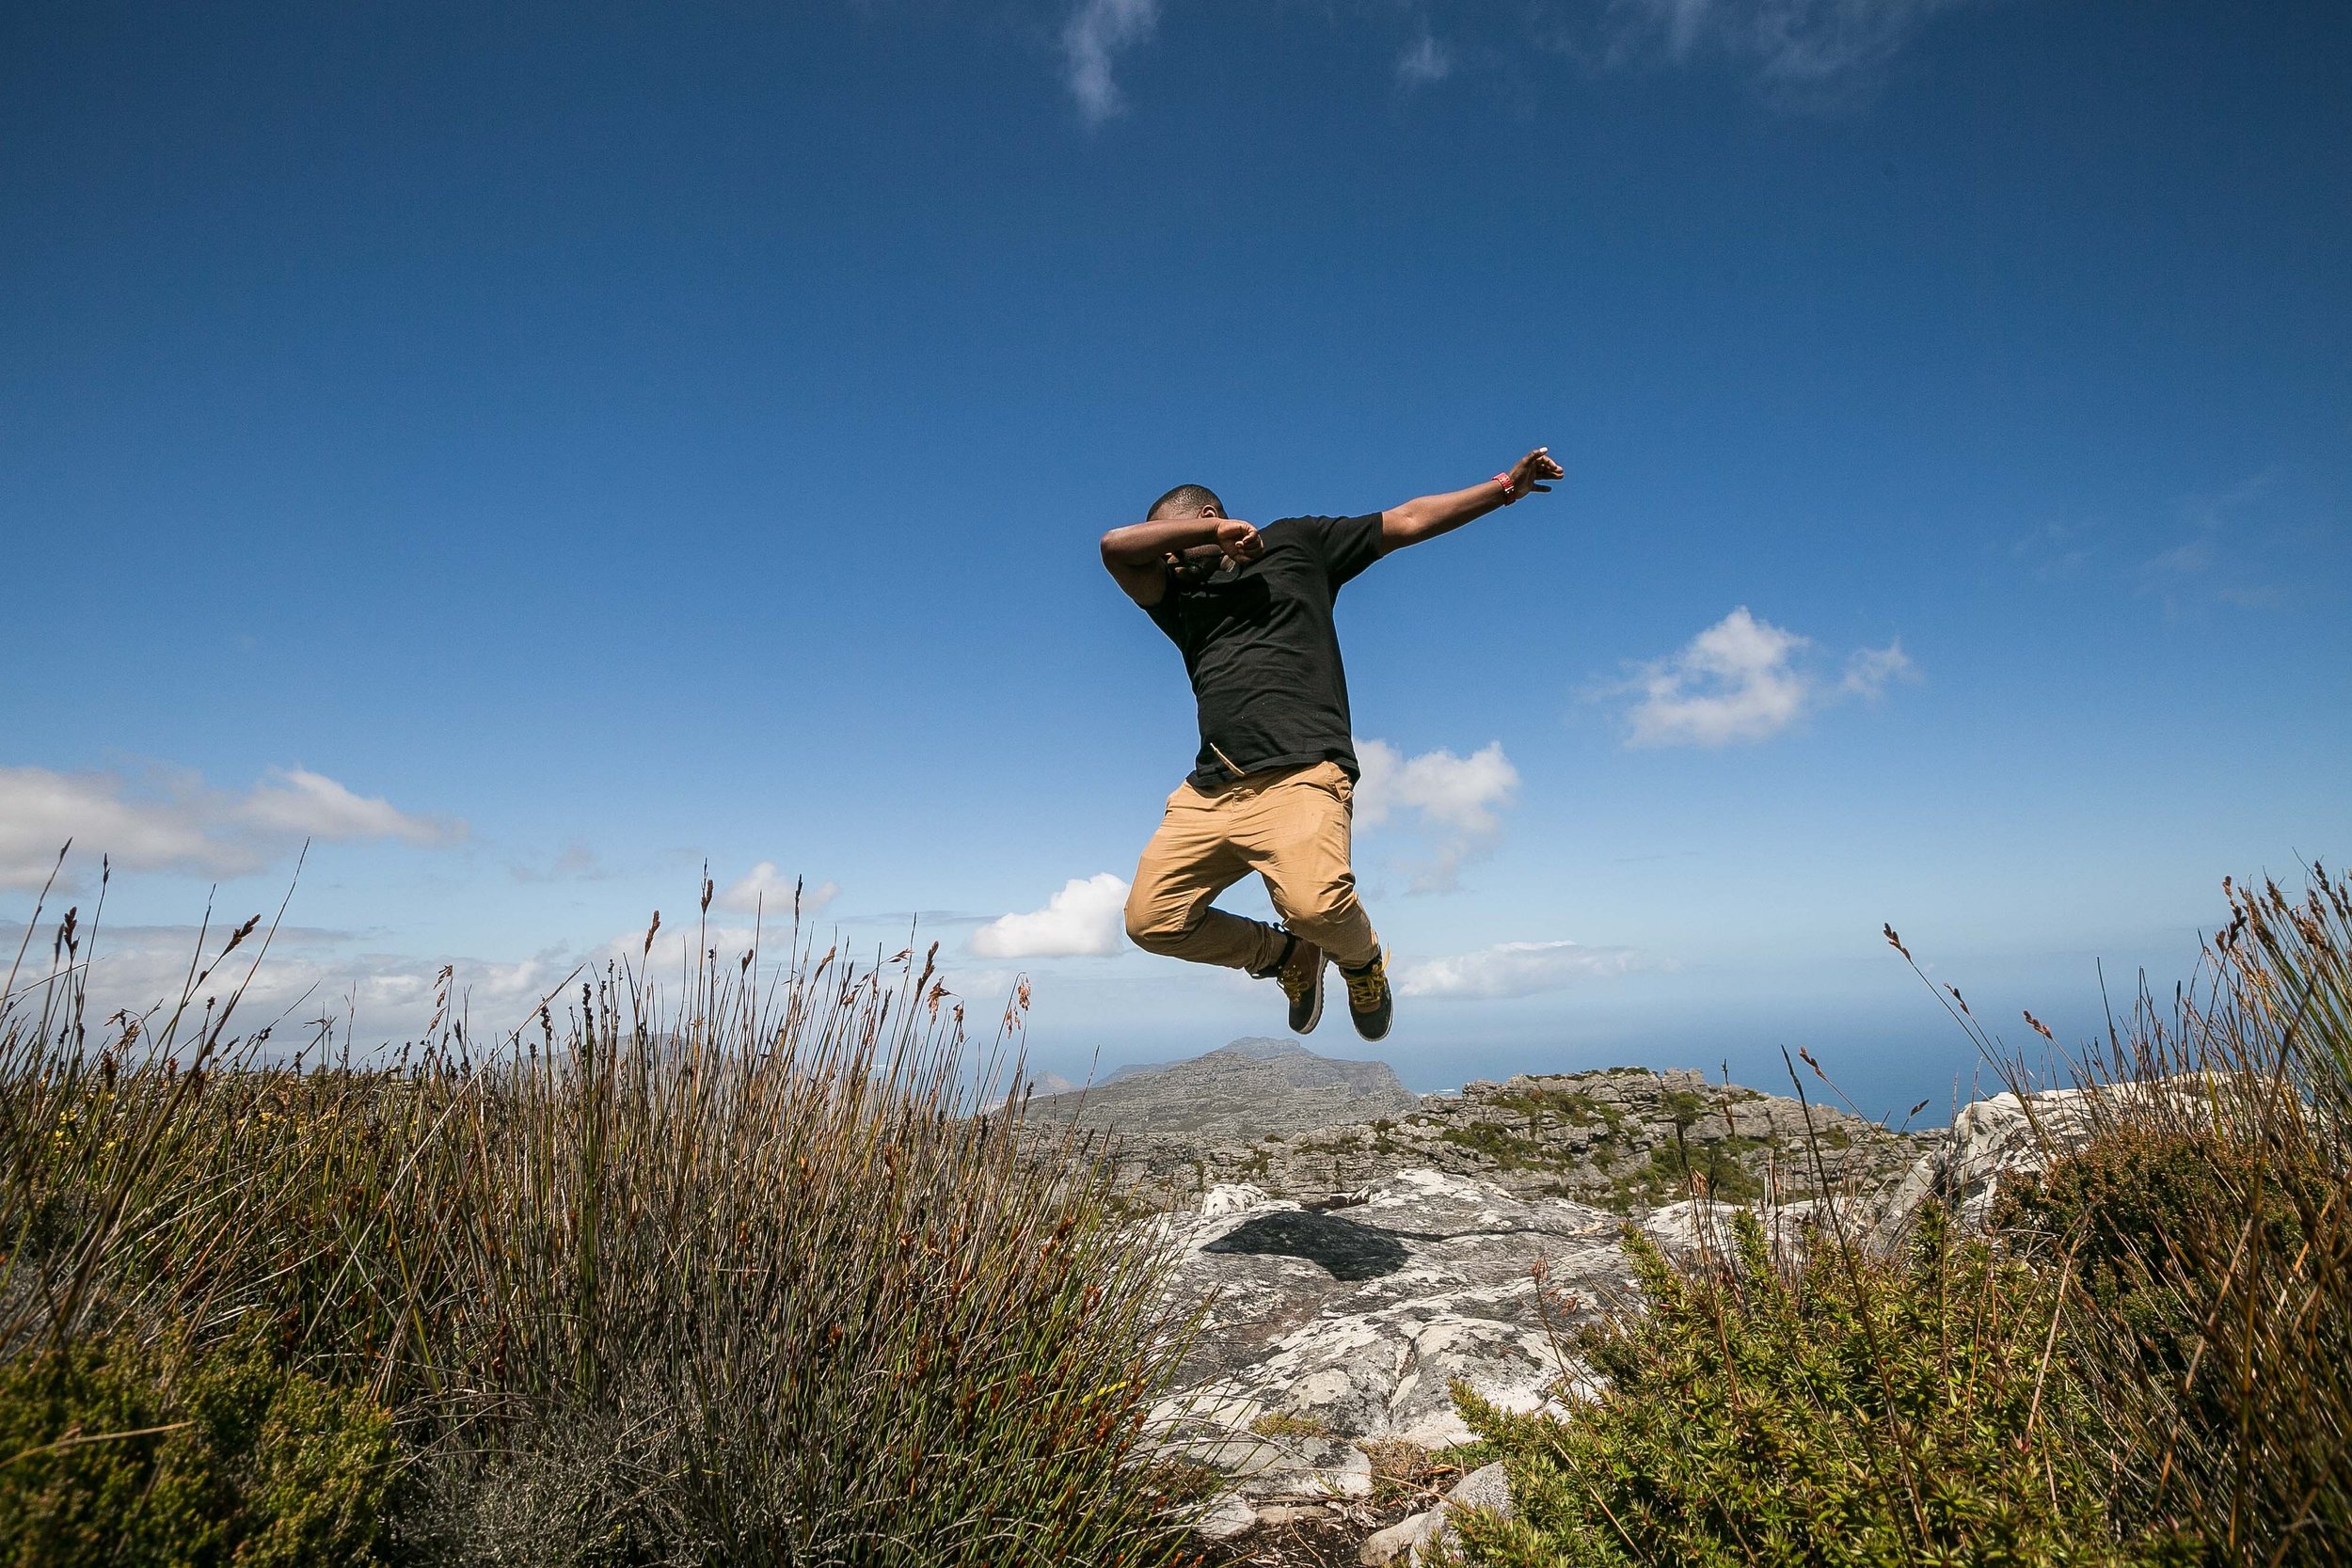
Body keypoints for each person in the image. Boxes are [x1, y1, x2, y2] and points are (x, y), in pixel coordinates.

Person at [1101, 447, 1565, 1039]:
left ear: (1211, 510)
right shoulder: (1176, 598)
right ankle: (1283, 957)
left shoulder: (1299, 544)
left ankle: (1360, 960)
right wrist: (1210, 535)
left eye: (1172, 539)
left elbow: (1407, 520)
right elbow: (1115, 547)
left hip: (1301, 773)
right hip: (1210, 790)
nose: (1165, 555)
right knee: (1150, 922)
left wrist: (1503, 487)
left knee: (1315, 908)